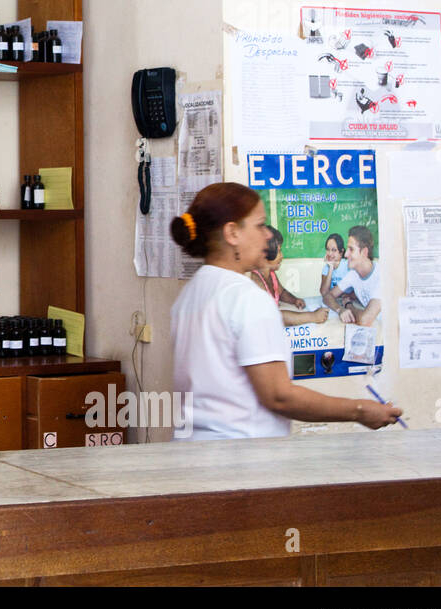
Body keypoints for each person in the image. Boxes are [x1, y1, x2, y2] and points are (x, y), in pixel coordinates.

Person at [169, 182, 400, 439]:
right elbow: (279, 396)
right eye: (259, 226)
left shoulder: (190, 294)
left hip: (194, 452)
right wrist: (360, 410)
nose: (268, 235)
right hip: (239, 460)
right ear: (232, 233)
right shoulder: (246, 298)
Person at [248, 226, 328, 326]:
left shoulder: (271, 274)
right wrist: (312, 316)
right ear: (266, 253)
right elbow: (276, 316)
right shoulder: (256, 281)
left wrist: (294, 300)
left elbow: (281, 293)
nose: (282, 256)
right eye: (279, 251)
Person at [335, 225, 383, 327]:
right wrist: (340, 310)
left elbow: (365, 320)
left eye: (351, 249)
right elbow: (329, 295)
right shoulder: (353, 274)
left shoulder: (382, 275)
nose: (346, 254)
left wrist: (348, 306)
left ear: (364, 252)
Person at [319, 233, 350, 309]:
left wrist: (348, 296)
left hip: (349, 301)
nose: (329, 253)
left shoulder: (348, 265)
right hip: (333, 302)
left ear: (341, 252)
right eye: (328, 249)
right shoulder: (326, 267)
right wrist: (331, 267)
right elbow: (324, 293)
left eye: (334, 250)